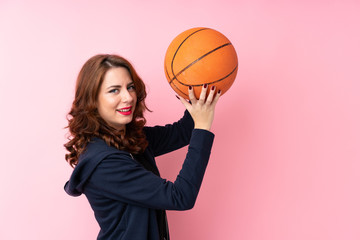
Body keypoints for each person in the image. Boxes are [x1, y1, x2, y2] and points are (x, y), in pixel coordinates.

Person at [64, 54, 221, 240]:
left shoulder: (127, 138)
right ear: (93, 100)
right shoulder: (105, 164)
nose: (128, 97)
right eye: (114, 90)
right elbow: (180, 196)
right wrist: (202, 128)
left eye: (130, 87)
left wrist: (200, 84)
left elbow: (182, 132)